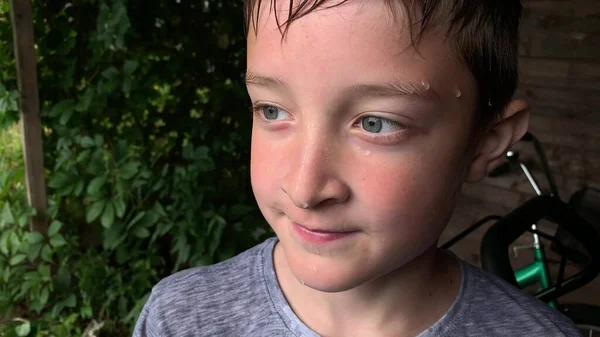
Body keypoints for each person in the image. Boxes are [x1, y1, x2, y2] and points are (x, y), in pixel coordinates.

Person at [133, 1, 581, 336]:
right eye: (271, 111)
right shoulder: (179, 318)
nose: (305, 189)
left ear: (485, 144)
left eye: (376, 123)